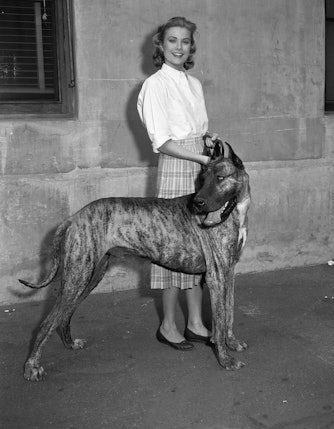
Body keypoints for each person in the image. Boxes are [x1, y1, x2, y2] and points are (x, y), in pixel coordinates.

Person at [137, 16, 216, 351]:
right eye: (172, 40)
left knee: (197, 249)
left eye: (185, 41)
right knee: (171, 248)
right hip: (176, 166)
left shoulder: (194, 83)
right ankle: (169, 325)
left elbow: (195, 129)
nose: (179, 47)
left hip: (199, 167)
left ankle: (196, 323)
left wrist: (208, 142)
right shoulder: (155, 85)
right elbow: (163, 141)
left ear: (191, 46)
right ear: (161, 44)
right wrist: (199, 157)